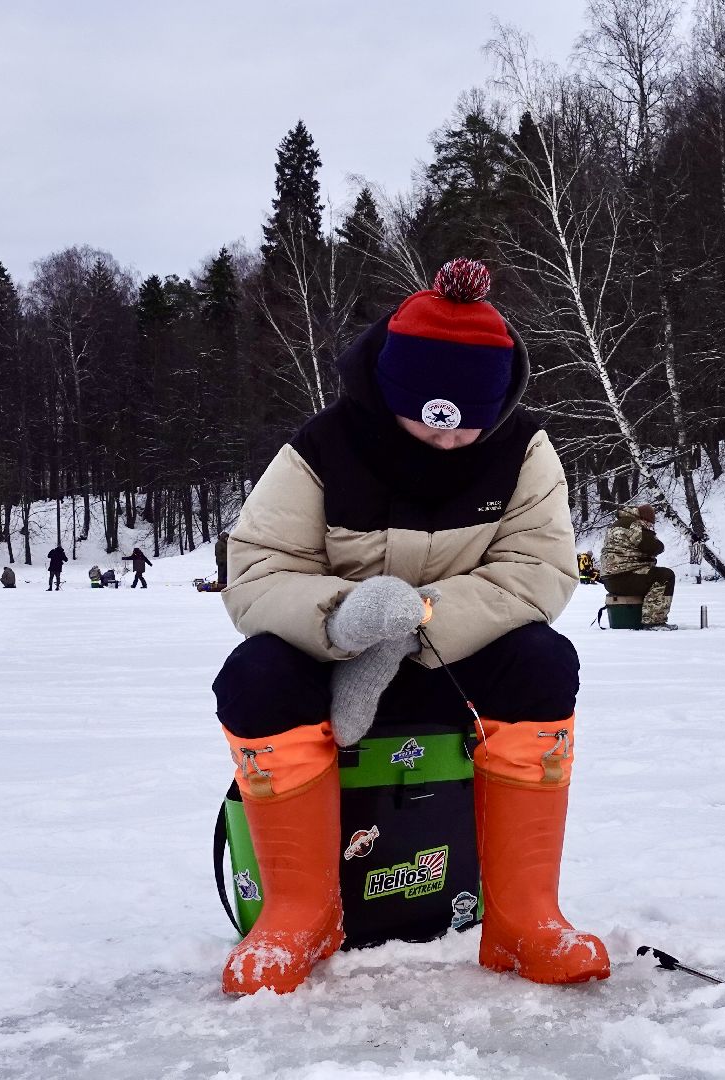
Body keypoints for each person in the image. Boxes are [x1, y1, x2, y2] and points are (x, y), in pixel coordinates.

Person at [211, 258, 606, 997]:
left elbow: (539, 571)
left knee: (543, 661)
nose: (446, 442)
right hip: (331, 665)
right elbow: (258, 572)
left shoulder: (524, 451)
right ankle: (299, 914)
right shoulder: (321, 447)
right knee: (254, 676)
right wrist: (349, 622)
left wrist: (414, 627)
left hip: (450, 664)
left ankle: (524, 919)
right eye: (425, 421)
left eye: (466, 428)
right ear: (390, 393)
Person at [599, 504, 675, 628]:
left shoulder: (617, 524)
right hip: (625, 578)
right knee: (665, 576)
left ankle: (646, 616)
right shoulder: (634, 524)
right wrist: (653, 537)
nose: (650, 526)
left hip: (611, 580)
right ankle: (654, 622)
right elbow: (653, 547)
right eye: (650, 523)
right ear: (645, 519)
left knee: (652, 575)